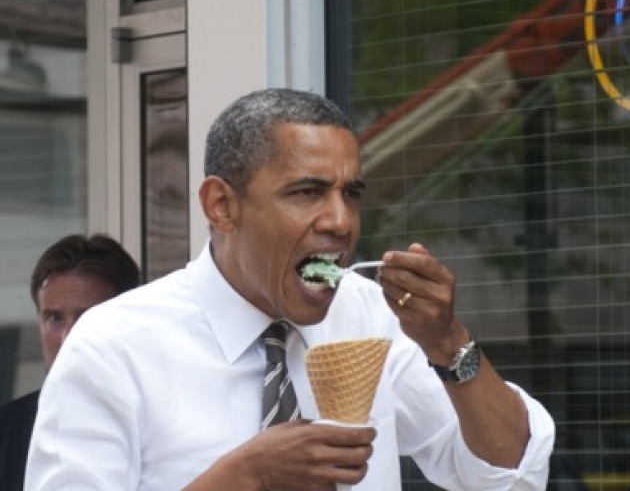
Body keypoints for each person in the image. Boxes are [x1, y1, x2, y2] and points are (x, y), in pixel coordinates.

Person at [26, 88, 555, 490]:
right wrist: (242, 476)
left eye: (352, 194)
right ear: (221, 205)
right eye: (307, 192)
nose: (341, 221)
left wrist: (449, 343)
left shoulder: (371, 315)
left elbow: (508, 476)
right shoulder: (112, 345)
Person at [0, 233, 140, 489]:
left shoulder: (165, 423)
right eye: (54, 318)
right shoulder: (6, 433)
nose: (68, 338)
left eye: (87, 318)